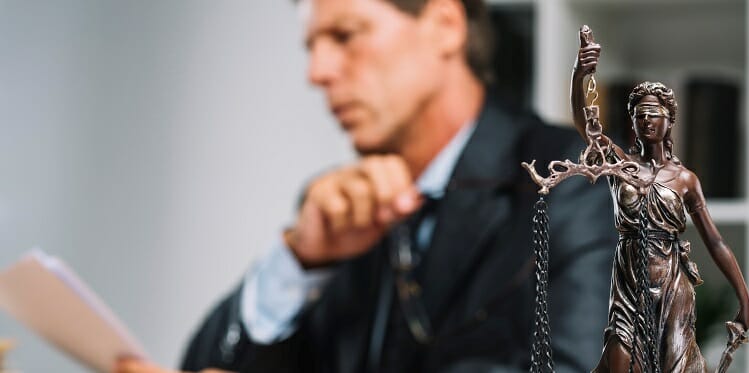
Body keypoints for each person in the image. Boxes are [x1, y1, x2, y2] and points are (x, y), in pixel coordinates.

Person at [116, 0, 617, 372]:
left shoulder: (575, 180)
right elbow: (205, 362)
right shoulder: (336, 214)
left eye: (346, 35)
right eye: (312, 47)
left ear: (444, 26)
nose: (317, 73)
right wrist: (300, 261)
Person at [571, 34, 749, 372]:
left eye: (654, 113)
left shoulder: (685, 179)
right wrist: (580, 74)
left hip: (672, 283)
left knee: (675, 363)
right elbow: (586, 128)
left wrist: (744, 299)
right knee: (620, 362)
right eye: (639, 115)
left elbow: (715, 241)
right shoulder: (620, 166)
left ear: (669, 120)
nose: (647, 120)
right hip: (628, 281)